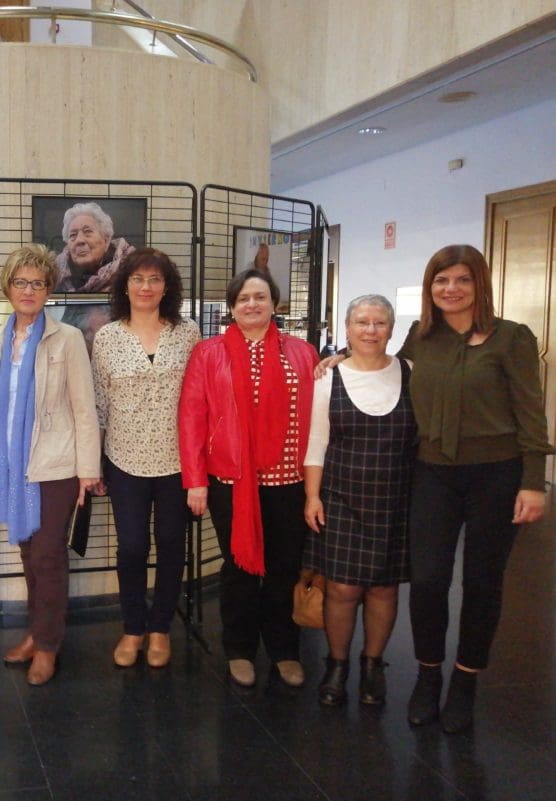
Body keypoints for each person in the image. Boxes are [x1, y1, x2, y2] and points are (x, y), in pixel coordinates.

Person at [398, 245, 551, 733]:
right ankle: (428, 675)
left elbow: (530, 412)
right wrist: (337, 360)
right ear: (430, 287)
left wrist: (533, 482)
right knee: (427, 580)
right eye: (441, 280)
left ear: (479, 284)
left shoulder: (512, 337)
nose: (451, 289)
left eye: (462, 279)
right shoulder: (421, 337)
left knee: (483, 582)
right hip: (432, 473)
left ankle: (465, 681)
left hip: (496, 475)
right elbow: (384, 372)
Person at [179, 268, 318, 689]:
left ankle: (284, 649)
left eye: (260, 297)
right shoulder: (209, 353)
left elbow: (321, 409)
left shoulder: (303, 352)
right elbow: (192, 417)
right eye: (243, 298)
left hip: (289, 480)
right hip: (230, 480)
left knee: (283, 567)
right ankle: (239, 649)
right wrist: (195, 480)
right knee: (238, 566)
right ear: (232, 307)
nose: (252, 304)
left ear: (275, 303)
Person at [0, 245, 101, 685]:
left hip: (56, 464)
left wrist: (88, 470)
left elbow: (84, 408)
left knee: (48, 555)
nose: (28, 290)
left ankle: (48, 645)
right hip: (12, 465)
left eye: (37, 283)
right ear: (8, 287)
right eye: (21, 282)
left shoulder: (66, 338)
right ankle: (36, 632)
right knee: (29, 554)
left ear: (49, 290)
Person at [303, 294, 416, 707]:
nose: (371, 330)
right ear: (347, 329)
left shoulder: (411, 372)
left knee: (384, 589)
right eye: (362, 322)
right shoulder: (327, 378)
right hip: (341, 496)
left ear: (391, 329)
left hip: (396, 499)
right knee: (342, 589)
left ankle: (373, 666)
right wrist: (312, 497)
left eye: (379, 323)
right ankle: (337, 666)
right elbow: (317, 443)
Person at [91, 249, 198, 668]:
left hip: (177, 461)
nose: (146, 287)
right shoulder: (107, 337)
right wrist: (96, 463)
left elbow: (201, 398)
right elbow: (100, 404)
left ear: (167, 287)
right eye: (137, 279)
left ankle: (160, 628)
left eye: (155, 279)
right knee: (132, 547)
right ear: (124, 286)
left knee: (171, 544)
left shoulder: (187, 333)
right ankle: (133, 627)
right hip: (124, 459)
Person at [53, 202, 135, 293]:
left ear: (106, 240)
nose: (79, 240)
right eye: (73, 235)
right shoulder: (54, 276)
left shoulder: (132, 270)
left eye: (87, 232)